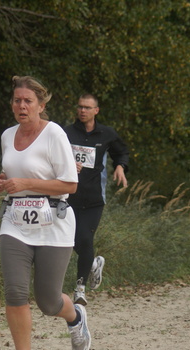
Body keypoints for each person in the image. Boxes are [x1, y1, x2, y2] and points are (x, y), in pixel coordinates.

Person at [0, 76, 91, 350]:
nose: (21, 106)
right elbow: (14, 172)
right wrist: (2, 182)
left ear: (41, 105)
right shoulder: (8, 135)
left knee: (48, 301)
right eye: (17, 100)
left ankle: (75, 317)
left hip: (54, 220)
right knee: (15, 291)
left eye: (28, 101)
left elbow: (70, 184)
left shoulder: (54, 134)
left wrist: (27, 184)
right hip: (15, 221)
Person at [64, 94, 129, 306]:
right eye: (80, 107)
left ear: (96, 111)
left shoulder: (107, 134)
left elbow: (122, 152)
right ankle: (92, 263)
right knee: (70, 240)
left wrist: (120, 166)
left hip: (94, 198)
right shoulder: (66, 133)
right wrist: (67, 165)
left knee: (85, 238)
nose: (83, 111)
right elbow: (53, 155)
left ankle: (80, 289)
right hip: (68, 195)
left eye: (87, 107)